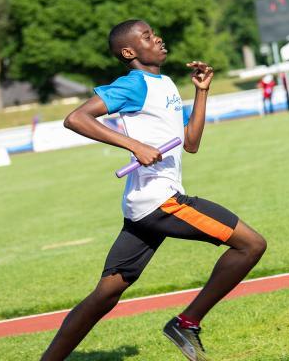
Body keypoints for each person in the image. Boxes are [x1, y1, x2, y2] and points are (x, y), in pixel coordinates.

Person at [41, 19, 267, 361]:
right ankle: (186, 322)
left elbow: (190, 143)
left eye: (153, 33)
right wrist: (135, 146)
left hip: (141, 207)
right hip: (161, 201)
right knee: (251, 245)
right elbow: (76, 119)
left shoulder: (165, 84)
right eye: (147, 36)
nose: (157, 38)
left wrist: (201, 91)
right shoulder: (133, 86)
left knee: (105, 295)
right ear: (129, 51)